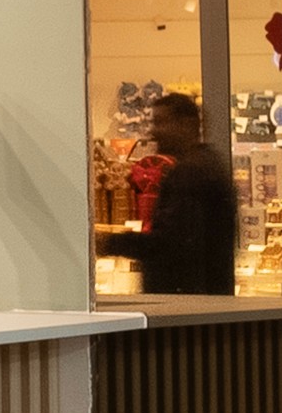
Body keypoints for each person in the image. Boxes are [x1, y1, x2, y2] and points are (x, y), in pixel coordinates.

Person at [101, 93, 239, 297]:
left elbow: (169, 245)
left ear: (187, 125)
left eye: (161, 122)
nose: (154, 132)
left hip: (186, 302)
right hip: (203, 298)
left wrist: (109, 243)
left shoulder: (190, 173)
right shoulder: (207, 164)